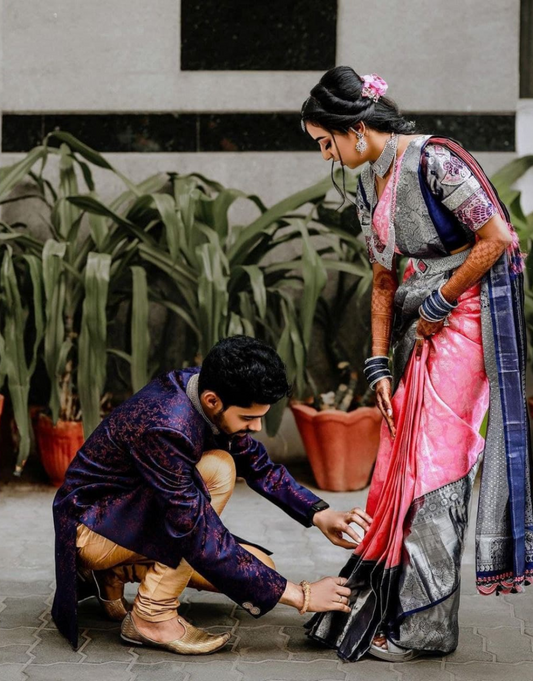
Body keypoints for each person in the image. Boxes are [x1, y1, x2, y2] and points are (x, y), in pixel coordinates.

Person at [300, 66, 533, 662]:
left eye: (326, 142)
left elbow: (498, 238)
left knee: (433, 463)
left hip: (468, 312)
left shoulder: (436, 161)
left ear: (354, 128)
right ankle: (397, 601)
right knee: (400, 456)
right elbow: (382, 280)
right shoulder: (368, 181)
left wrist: (442, 297)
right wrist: (377, 363)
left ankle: (428, 628)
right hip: (420, 313)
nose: (326, 154)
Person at [52, 335, 372, 655]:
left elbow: (258, 465)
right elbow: (193, 530)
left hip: (128, 517)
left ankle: (115, 573)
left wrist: (320, 514)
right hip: (89, 527)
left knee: (263, 568)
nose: (258, 426)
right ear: (212, 401)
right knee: (218, 469)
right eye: (248, 418)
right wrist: (301, 596)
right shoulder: (168, 425)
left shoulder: (210, 386)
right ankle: (152, 615)